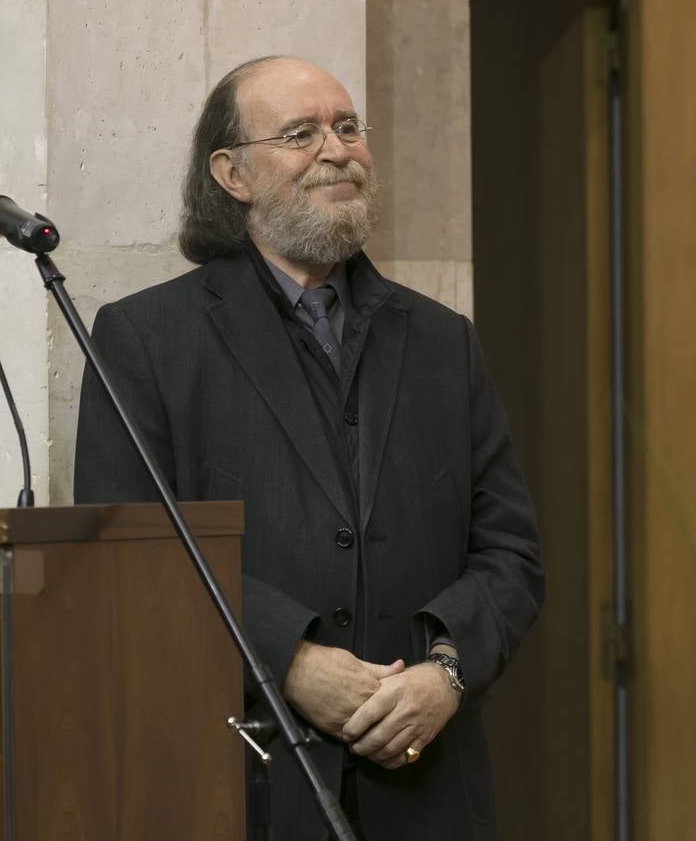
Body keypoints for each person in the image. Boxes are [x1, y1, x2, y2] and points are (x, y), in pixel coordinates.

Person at [74, 55, 544, 840]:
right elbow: (129, 555)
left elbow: (511, 554)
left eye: (348, 127)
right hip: (243, 780)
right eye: (301, 133)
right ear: (232, 174)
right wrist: (286, 660)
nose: (338, 149)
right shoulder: (147, 340)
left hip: (425, 791)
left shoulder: (442, 342)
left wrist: (446, 673)